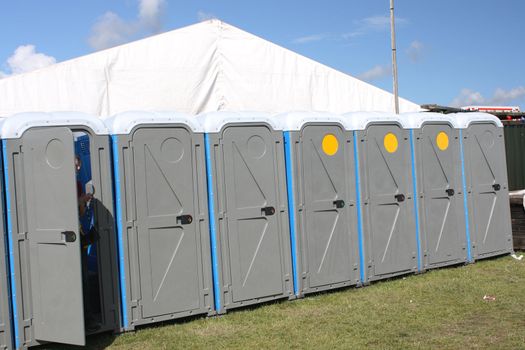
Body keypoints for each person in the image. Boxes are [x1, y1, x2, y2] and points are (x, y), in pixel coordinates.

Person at [75, 156, 100, 332]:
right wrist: (79, 200)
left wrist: (84, 201)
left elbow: (81, 213)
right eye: (75, 165)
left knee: (83, 279)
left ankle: (88, 320)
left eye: (79, 166)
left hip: (77, 236)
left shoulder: (77, 184)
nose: (77, 169)